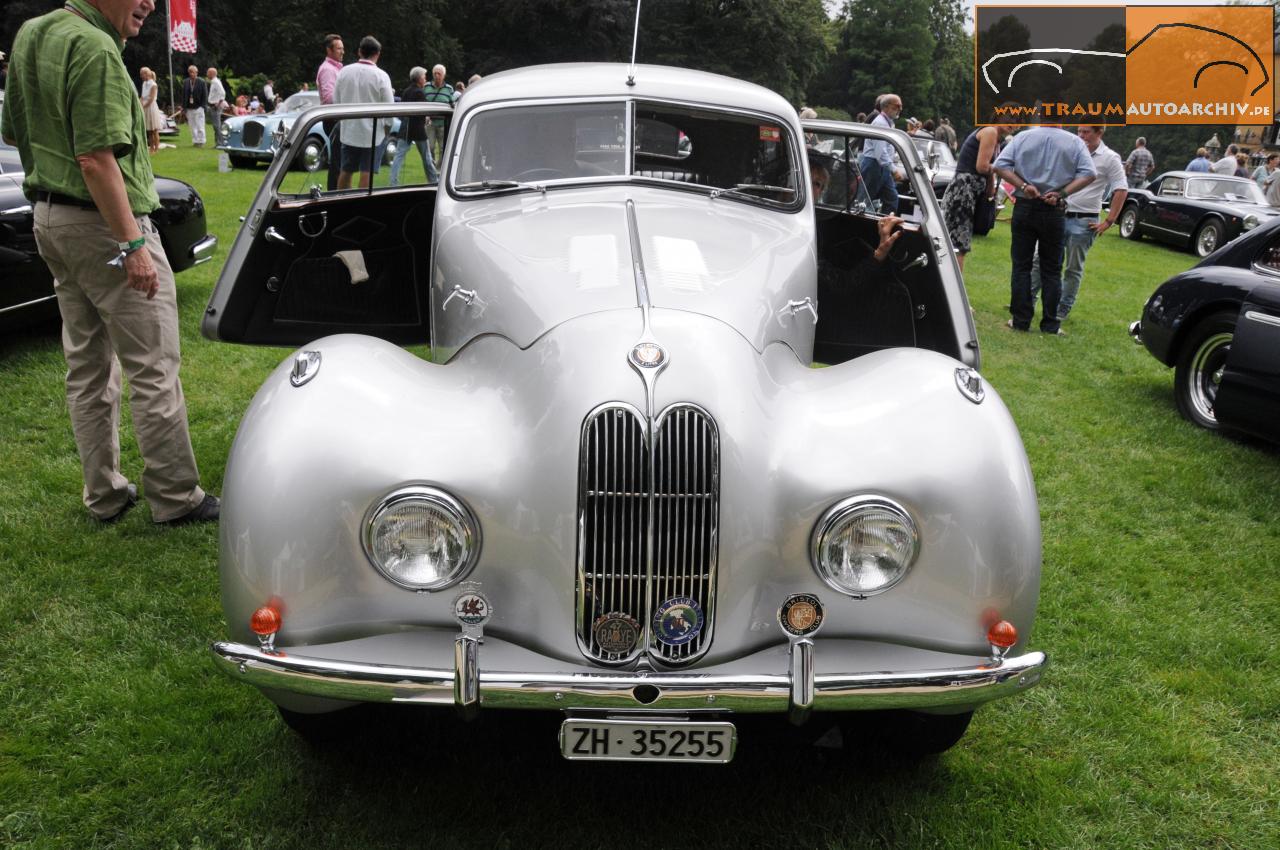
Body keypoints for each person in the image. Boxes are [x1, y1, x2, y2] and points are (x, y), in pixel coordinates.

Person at [0, 0, 218, 525]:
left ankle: (103, 492)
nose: (149, 3)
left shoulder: (32, 32)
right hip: (104, 227)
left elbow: (12, 132)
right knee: (154, 366)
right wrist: (133, 244)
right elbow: (95, 159)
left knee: (87, 366)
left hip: (49, 219)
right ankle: (175, 497)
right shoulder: (95, 47)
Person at [994, 124, 1095, 335]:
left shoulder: (1023, 137)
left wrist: (1022, 186)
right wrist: (1062, 193)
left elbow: (1000, 165)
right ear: (1062, 118)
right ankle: (1050, 324)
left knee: (1021, 266)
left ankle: (1020, 320)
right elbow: (1089, 173)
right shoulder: (1074, 142)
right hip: (1053, 208)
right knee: (1052, 269)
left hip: (1025, 204)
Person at [1029, 125, 1127, 323]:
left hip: (1084, 221)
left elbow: (1121, 189)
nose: (1081, 136)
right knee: (1041, 260)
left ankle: (1062, 308)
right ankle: (1027, 300)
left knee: (1073, 268)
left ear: (1100, 132)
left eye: (1086, 132)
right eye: (1079, 131)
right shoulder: (1072, 150)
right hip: (1058, 214)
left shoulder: (1110, 158)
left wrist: (1109, 220)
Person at [941, 117, 1015, 271]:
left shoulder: (995, 136)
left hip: (966, 191)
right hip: (964, 191)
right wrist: (1001, 170)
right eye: (1012, 118)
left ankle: (949, 288)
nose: (1015, 124)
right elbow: (982, 166)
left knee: (956, 242)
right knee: (958, 244)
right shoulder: (990, 132)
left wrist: (990, 185)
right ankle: (953, 291)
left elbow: (985, 168)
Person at [334, 35, 394, 190]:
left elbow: (336, 102)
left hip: (348, 131)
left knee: (346, 170)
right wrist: (387, 129)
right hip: (373, 134)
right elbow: (389, 108)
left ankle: (342, 202)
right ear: (378, 54)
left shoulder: (344, 72)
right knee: (367, 172)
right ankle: (360, 206)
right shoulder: (382, 76)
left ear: (359, 51)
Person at [389, 66, 435, 185]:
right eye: (424, 77)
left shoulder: (406, 91)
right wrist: (426, 119)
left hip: (405, 128)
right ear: (419, 78)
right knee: (427, 158)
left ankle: (393, 182)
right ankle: (433, 181)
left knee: (398, 157)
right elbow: (423, 112)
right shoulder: (419, 92)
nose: (425, 79)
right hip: (418, 130)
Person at [858, 92, 903, 213]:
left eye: (900, 107)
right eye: (896, 107)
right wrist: (894, 169)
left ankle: (884, 224)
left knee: (891, 198)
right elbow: (880, 152)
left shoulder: (887, 123)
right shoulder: (880, 123)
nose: (899, 109)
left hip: (881, 166)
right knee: (864, 202)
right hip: (874, 165)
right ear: (886, 107)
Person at [316, 32, 345, 191]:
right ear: (329, 50)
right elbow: (328, 99)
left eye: (342, 48)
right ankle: (334, 193)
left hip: (336, 119)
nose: (342, 51)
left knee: (340, 160)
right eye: (339, 48)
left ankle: (337, 192)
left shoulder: (335, 68)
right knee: (338, 161)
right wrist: (348, 97)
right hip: (333, 119)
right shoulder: (327, 69)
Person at [422, 64, 455, 172]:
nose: (436, 76)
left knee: (442, 148)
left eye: (439, 74)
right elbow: (421, 102)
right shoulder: (426, 87)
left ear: (443, 75)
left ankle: (439, 170)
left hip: (443, 123)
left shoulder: (449, 89)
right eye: (435, 73)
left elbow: (453, 104)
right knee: (430, 147)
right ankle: (432, 167)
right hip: (430, 123)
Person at [180, 64, 207, 146]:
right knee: (192, 126)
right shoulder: (186, 82)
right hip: (189, 107)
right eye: (190, 72)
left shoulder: (201, 82)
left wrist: (203, 106)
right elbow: (184, 95)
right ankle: (195, 141)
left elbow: (205, 95)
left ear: (196, 72)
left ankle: (201, 141)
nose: (191, 73)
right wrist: (184, 107)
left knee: (200, 125)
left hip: (199, 107)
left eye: (193, 72)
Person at [138, 66, 164, 154]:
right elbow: (142, 97)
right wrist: (139, 104)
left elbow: (151, 98)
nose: (141, 76)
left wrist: (144, 106)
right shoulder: (144, 84)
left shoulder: (153, 85)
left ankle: (156, 148)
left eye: (142, 74)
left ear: (147, 74)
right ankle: (151, 147)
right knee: (149, 130)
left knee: (154, 129)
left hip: (151, 107)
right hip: (144, 107)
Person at [205, 67, 226, 137]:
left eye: (208, 73)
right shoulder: (214, 82)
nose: (207, 74)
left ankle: (220, 142)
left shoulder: (216, 82)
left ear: (212, 74)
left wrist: (218, 103)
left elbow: (223, 93)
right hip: (212, 105)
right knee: (215, 125)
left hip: (215, 106)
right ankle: (218, 142)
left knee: (217, 125)